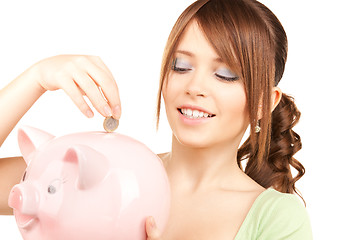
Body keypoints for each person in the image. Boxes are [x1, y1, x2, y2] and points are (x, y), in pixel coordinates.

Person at [0, 0, 312, 239]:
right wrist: (35, 79)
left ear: (262, 103)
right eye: (180, 66)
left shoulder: (278, 218)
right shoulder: (116, 171)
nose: (194, 87)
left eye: (225, 74)